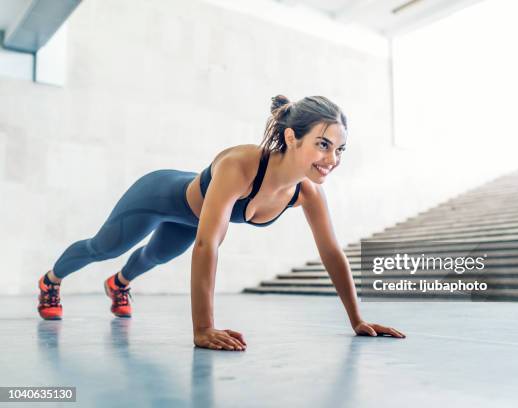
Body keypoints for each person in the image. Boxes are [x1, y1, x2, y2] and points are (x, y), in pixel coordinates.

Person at [37, 95, 406, 351]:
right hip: (159, 195)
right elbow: (208, 244)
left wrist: (357, 320)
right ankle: (50, 281)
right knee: (105, 247)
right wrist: (203, 329)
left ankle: (118, 284)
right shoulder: (241, 165)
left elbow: (330, 252)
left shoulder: (307, 192)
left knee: (154, 258)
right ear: (292, 137)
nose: (332, 159)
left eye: (339, 149)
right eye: (323, 145)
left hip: (191, 220)